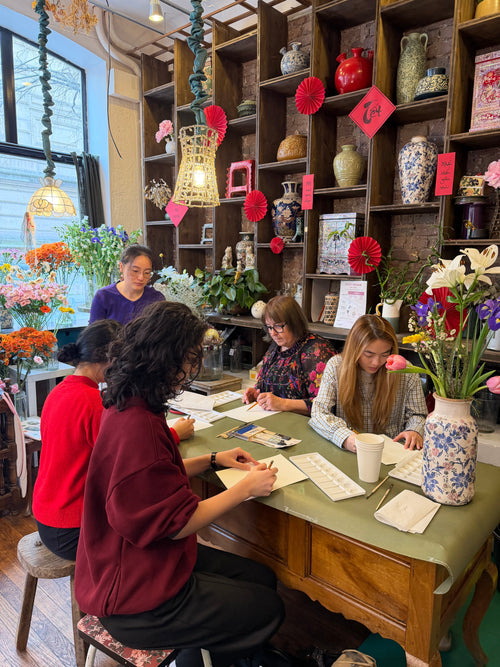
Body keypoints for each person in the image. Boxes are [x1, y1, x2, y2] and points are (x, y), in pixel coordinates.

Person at [75, 302, 285, 667]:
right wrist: (245, 489)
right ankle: (202, 657)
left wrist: (212, 459)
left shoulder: (130, 402)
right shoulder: (139, 425)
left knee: (261, 578)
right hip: (135, 600)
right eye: (190, 358)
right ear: (164, 358)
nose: (192, 367)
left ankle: (213, 653)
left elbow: (151, 479)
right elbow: (176, 524)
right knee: (269, 609)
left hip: (134, 564)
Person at [32, 319, 122, 560]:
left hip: (47, 516)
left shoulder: (57, 392)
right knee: (149, 537)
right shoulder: (93, 404)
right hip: (72, 529)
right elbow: (124, 454)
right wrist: (173, 434)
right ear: (107, 358)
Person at [310, 314, 427, 452]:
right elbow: (319, 412)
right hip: (351, 449)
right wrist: (345, 437)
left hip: (392, 449)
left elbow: (418, 415)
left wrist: (414, 430)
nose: (376, 362)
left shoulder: (405, 370)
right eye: (369, 354)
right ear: (355, 349)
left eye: (385, 354)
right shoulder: (336, 366)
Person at [242, 295, 336, 415]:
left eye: (278, 326)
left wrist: (282, 404)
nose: (273, 333)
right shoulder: (275, 348)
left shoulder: (316, 351)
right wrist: (256, 394)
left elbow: (326, 406)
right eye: (269, 327)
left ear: (294, 322)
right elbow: (263, 385)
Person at [89, 244, 164, 324]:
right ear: (121, 267)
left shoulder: (156, 298)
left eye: (147, 273)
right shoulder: (104, 297)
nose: (141, 277)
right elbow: (94, 331)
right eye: (135, 271)